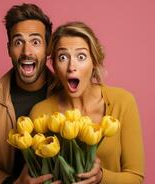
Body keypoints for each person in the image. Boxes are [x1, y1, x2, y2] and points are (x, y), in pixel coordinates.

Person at [30, 21, 144, 183]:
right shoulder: (40, 113)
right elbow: (38, 174)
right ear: (54, 65)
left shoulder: (123, 102)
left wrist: (101, 177)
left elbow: (136, 178)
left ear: (94, 62)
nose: (71, 67)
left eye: (81, 57)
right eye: (63, 57)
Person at [0, 3, 60, 184]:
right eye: (18, 42)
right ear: (9, 49)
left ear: (48, 48)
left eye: (35, 42)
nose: (27, 52)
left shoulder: (65, 92)